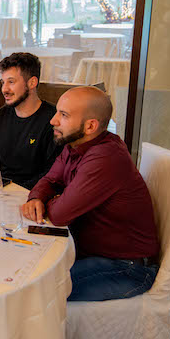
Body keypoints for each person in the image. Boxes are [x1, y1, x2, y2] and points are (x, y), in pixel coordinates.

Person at [22, 86, 159, 302]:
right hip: (88, 252)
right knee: (20, 267)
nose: (53, 120)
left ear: (90, 126)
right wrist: (37, 197)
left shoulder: (106, 157)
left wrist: (58, 200)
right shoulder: (74, 144)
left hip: (126, 268)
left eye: (64, 115)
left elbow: (59, 215)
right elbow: (50, 180)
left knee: (32, 291)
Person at [0, 52, 60, 189]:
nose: (4, 89)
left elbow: (52, 174)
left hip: (29, 193)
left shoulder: (53, 120)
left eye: (11, 82)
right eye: (3, 82)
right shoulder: (2, 114)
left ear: (32, 83)